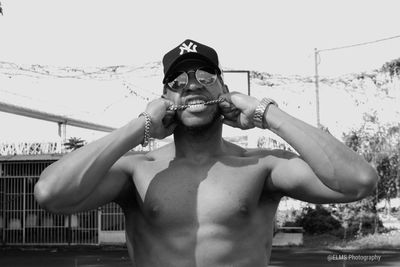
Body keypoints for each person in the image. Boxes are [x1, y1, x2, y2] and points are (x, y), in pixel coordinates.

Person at [34, 39, 378, 267]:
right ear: (164, 99)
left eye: (204, 75)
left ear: (225, 90)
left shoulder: (261, 167)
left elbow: (359, 182)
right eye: (177, 82)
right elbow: (51, 193)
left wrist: (265, 113)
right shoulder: (136, 170)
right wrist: (140, 126)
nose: (192, 85)